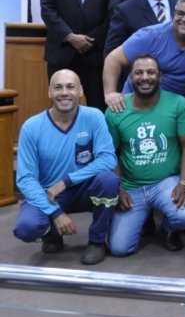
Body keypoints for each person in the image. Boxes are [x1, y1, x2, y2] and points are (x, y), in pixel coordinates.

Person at [13, 69, 118, 265]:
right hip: (49, 194)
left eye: (70, 87)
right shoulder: (31, 127)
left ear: (80, 91)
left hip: (84, 189)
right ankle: (51, 235)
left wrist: (66, 181)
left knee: (108, 180)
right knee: (26, 228)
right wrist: (55, 213)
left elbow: (108, 159)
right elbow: (25, 179)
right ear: (49, 92)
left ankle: (97, 242)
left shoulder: (94, 116)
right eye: (58, 87)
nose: (64, 92)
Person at [105, 55, 185, 255]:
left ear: (160, 77)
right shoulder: (116, 110)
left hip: (166, 182)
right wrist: (118, 187)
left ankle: (169, 228)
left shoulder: (177, 103)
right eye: (138, 72)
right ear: (130, 77)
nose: (145, 77)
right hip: (131, 186)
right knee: (119, 249)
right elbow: (109, 153)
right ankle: (143, 217)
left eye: (151, 72)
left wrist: (184, 183)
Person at [103, 0, 185, 111]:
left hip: (180, 109)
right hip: (139, 104)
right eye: (180, 13)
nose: (184, 19)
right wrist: (110, 93)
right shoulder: (152, 35)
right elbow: (113, 59)